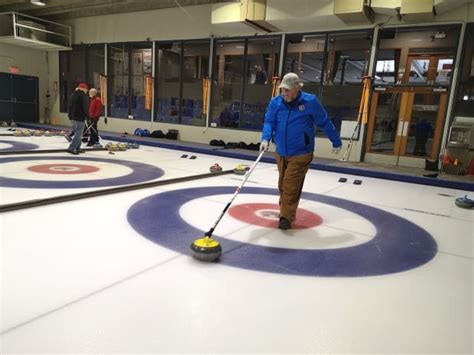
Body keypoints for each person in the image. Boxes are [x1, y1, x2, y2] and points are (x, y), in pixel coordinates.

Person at [260, 73, 342, 230]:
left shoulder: (310, 102)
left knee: (290, 185)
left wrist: (335, 141)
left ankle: (286, 217)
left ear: (297, 88)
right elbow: (269, 121)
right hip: (281, 151)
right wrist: (265, 139)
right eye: (283, 90)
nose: (285, 93)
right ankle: (286, 209)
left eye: (288, 90)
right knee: (283, 185)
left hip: (301, 152)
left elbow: (324, 122)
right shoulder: (276, 103)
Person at [67, 82, 89, 155]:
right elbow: (85, 107)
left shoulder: (73, 95)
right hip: (80, 117)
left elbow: (69, 106)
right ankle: (72, 147)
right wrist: (87, 116)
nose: (87, 91)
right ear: (84, 89)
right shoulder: (83, 96)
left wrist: (70, 116)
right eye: (86, 90)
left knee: (77, 132)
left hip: (72, 117)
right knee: (79, 134)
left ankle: (77, 147)